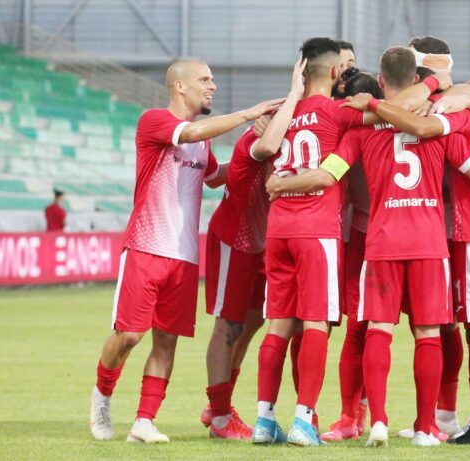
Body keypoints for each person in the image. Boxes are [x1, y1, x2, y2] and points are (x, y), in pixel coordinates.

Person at [267, 46, 470, 448]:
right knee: (428, 333)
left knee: (377, 329)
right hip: (429, 241)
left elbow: (329, 173)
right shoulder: (436, 123)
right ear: (416, 81)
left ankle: (377, 420)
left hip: (381, 240)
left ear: (380, 81)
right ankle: (424, 427)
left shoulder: (361, 131)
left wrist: (282, 184)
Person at [88, 58, 284, 443]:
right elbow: (191, 131)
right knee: (129, 335)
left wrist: (260, 151)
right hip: (146, 247)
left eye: (212, 80)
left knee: (167, 341)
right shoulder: (155, 121)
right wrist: (249, 115)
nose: (212, 86)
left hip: (185, 256)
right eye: (204, 80)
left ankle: (144, 421)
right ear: (180, 86)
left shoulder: (202, 141)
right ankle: (102, 395)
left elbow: (214, 176)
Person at [252, 37, 371, 447]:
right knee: (317, 322)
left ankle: (264, 419)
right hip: (316, 230)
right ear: (336, 72)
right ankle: (304, 420)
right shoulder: (339, 113)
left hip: (278, 230)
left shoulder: (282, 116)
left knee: (278, 325)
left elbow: (265, 152)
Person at [200, 58, 308, 441]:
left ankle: (218, 404)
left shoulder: (296, 137)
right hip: (235, 239)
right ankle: (220, 417)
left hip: (265, 243)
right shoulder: (264, 135)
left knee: (251, 324)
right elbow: (265, 147)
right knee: (228, 326)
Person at [319, 71, 382, 443]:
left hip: (366, 235)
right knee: (430, 330)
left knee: (359, 331)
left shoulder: (348, 135)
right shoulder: (410, 122)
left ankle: (351, 415)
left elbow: (329, 175)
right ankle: (436, 418)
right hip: (410, 230)